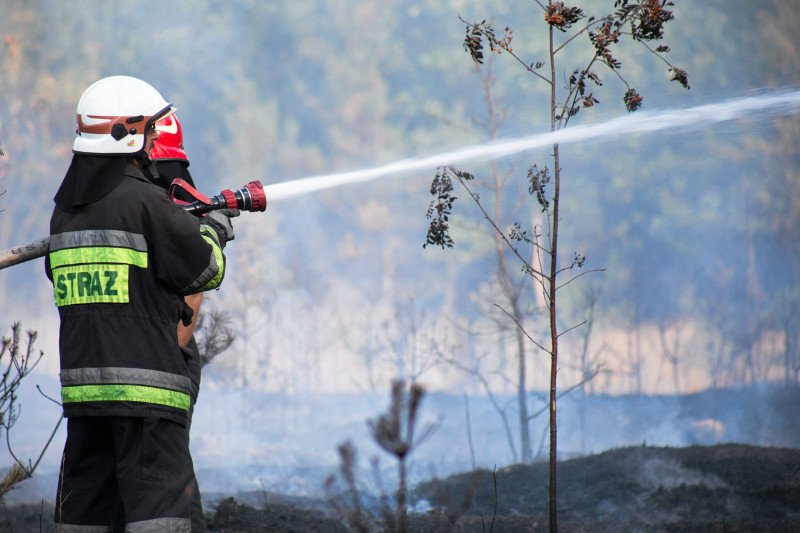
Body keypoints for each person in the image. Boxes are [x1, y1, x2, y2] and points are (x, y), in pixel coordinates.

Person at [45, 75, 235, 531]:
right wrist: (215, 228)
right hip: (147, 397)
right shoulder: (146, 203)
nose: (153, 142)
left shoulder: (63, 213)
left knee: (85, 514)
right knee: (161, 516)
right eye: (150, 131)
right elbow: (206, 269)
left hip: (86, 397)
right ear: (127, 132)